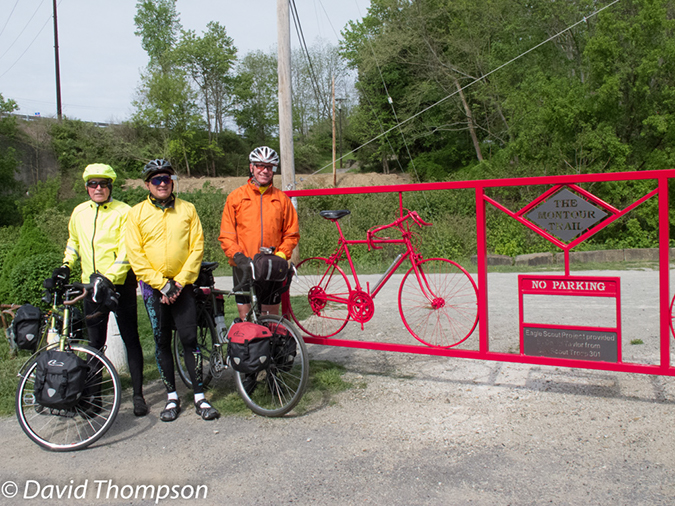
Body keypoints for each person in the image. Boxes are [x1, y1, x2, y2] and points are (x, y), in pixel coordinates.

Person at [125, 158, 219, 422]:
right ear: (148, 184)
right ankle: (171, 398)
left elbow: (196, 247)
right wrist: (161, 284)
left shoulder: (188, 209)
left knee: (190, 341)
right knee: (162, 342)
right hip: (154, 289)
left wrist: (179, 282)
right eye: (157, 179)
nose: (163, 183)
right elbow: (136, 255)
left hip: (182, 286)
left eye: (167, 178)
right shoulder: (136, 213)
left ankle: (200, 397)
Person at [53, 163, 147, 416]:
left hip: (118, 287)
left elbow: (127, 251)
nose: (98, 188)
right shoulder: (79, 212)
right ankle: (94, 398)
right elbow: (73, 243)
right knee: (95, 344)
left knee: (131, 339)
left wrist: (107, 278)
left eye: (103, 184)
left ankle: (138, 395)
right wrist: (65, 266)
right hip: (89, 287)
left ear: (110, 187)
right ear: (86, 187)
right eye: (93, 184)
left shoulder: (124, 211)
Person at [219, 146, 299, 320]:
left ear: (273, 170)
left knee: (270, 318)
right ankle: (249, 347)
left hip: (271, 266)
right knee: (246, 318)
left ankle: (270, 346)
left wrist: (280, 255)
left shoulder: (281, 199)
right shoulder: (236, 197)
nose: (264, 170)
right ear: (251, 168)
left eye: (269, 167)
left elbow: (291, 233)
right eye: (260, 166)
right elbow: (226, 234)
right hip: (243, 264)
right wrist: (238, 256)